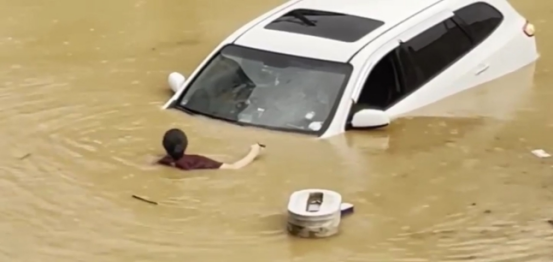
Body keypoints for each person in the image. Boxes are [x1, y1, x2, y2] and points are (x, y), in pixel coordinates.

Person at [157, 128, 263, 171]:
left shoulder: (164, 161)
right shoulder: (196, 161)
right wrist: (254, 152)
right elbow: (234, 167)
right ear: (186, 144)